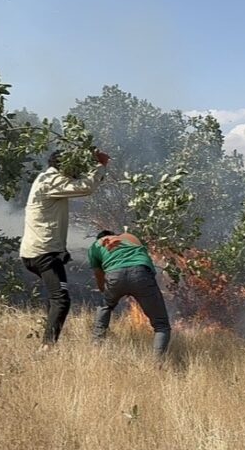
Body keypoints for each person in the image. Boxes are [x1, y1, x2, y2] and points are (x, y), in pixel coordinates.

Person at [20, 149, 109, 347]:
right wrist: (100, 165)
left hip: (40, 251)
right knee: (61, 300)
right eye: (74, 167)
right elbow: (85, 187)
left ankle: (46, 341)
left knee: (55, 298)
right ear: (65, 166)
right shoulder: (51, 180)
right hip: (43, 252)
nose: (77, 172)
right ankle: (46, 349)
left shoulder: (47, 179)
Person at [89, 230, 172, 358]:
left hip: (114, 276)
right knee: (161, 325)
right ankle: (157, 364)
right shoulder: (130, 237)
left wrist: (106, 293)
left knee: (104, 307)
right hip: (141, 274)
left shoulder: (95, 246)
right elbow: (145, 259)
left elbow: (99, 277)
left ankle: (96, 347)